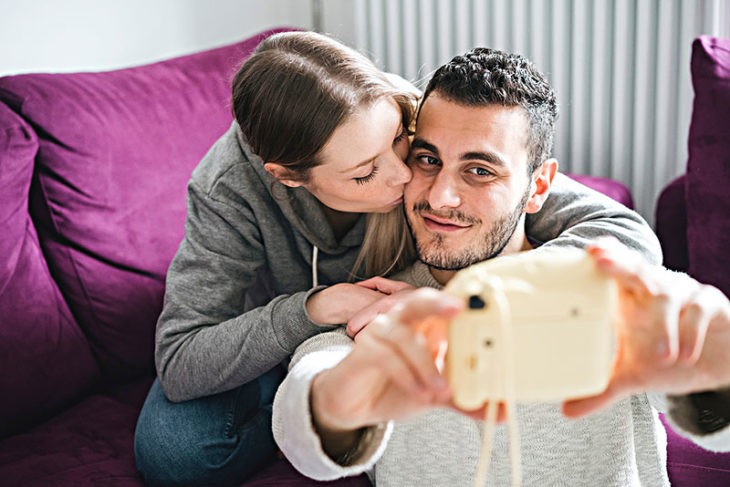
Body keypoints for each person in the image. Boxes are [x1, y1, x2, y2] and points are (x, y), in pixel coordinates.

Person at [133, 32, 661, 486]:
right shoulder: (229, 190)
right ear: (290, 177)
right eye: (365, 174)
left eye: (405, 147)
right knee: (175, 450)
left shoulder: (421, 116)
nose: (410, 181)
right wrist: (313, 310)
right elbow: (181, 361)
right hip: (286, 325)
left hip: (389, 307)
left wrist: (460, 300)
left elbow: (615, 230)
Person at [272, 47, 730, 486]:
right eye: (428, 160)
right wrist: (336, 405)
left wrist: (715, 360)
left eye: (479, 171)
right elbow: (303, 426)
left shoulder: (614, 295)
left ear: (538, 188)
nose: (439, 197)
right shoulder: (376, 316)